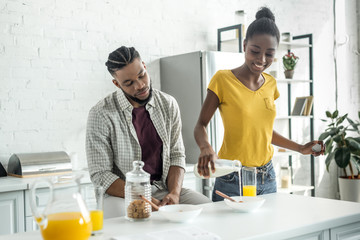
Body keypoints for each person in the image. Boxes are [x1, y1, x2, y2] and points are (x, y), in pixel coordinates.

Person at [194, 7, 325, 202]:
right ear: (245, 45)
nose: (262, 60)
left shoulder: (271, 84)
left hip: (268, 177)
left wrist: (299, 148)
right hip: (232, 178)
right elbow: (200, 125)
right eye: (255, 51)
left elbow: (265, 132)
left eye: (269, 54)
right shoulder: (222, 79)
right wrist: (206, 148)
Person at [86, 46, 211, 218]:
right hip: (121, 196)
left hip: (164, 189)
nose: (140, 85)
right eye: (129, 83)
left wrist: (174, 194)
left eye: (141, 75)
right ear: (117, 83)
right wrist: (143, 197)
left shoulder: (168, 104)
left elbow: (176, 154)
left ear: (144, 66)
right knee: (135, 224)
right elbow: (100, 175)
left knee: (209, 210)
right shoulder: (101, 114)